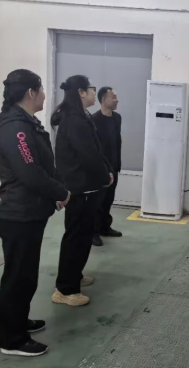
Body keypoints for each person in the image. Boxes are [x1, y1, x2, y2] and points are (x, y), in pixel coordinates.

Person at [0, 70, 70, 357]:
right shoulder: (16, 129)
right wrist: (60, 192)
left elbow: (42, 165)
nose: (45, 95)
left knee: (26, 276)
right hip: (18, 215)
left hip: (30, 212)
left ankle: (18, 321)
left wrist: (56, 188)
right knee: (18, 278)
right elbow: (30, 172)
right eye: (42, 90)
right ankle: (12, 340)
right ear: (30, 93)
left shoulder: (26, 123)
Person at [51, 75, 113, 307]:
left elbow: (95, 151)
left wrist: (105, 172)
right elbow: (88, 155)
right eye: (91, 89)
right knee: (76, 237)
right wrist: (104, 177)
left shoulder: (81, 116)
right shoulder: (74, 120)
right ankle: (65, 290)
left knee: (83, 235)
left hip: (86, 186)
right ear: (81, 92)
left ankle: (74, 275)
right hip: (80, 188)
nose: (94, 93)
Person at [92, 87, 123, 247]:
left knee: (109, 199)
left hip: (114, 165)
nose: (116, 100)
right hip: (101, 168)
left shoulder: (117, 118)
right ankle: (93, 232)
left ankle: (105, 226)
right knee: (98, 201)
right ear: (104, 100)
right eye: (113, 97)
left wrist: (116, 165)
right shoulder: (94, 120)